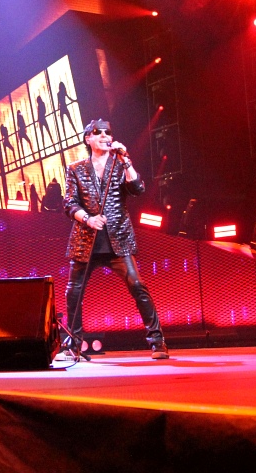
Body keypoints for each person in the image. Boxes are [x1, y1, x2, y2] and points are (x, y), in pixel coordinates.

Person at [62, 119, 168, 360]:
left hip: (117, 239)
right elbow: (69, 203)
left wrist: (126, 160)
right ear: (88, 139)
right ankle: (73, 345)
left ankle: (157, 341)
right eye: (97, 132)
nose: (103, 135)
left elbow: (138, 189)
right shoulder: (76, 168)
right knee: (74, 293)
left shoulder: (120, 165)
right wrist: (88, 219)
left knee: (137, 285)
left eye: (107, 132)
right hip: (86, 241)